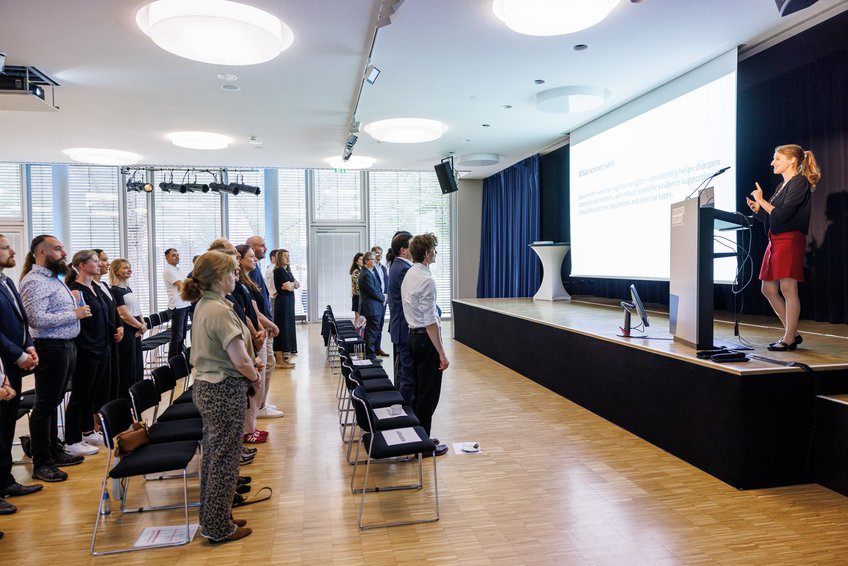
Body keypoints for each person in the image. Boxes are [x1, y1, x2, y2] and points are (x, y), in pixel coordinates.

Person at [181, 251, 260, 543]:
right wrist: (254, 374)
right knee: (224, 459)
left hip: (210, 387)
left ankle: (216, 517)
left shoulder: (208, 304)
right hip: (223, 389)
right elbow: (239, 359)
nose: (235, 276)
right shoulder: (218, 309)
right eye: (232, 272)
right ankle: (218, 526)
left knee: (216, 456)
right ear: (218, 278)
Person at [19, 235, 91, 482]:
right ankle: (41, 463)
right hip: (50, 347)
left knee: (54, 402)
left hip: (65, 346)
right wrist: (74, 314)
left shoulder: (52, 279)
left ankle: (53, 449)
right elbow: (36, 319)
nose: (64, 253)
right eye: (58, 249)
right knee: (44, 406)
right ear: (41, 252)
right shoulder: (34, 281)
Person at [747, 144, 821, 352]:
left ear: (792, 161)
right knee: (768, 289)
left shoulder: (799, 182)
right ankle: (793, 333)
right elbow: (773, 218)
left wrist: (762, 200)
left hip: (789, 240)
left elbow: (783, 215)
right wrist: (758, 209)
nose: (772, 163)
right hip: (775, 240)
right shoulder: (782, 185)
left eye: (777, 159)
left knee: (788, 289)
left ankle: (789, 338)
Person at [0, 234, 42, 508]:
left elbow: (21, 321)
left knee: (6, 426)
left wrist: (28, 345)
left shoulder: (7, 281)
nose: (12, 251)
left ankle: (5, 481)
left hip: (12, 363)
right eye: (5, 247)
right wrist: (18, 355)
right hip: (5, 361)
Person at [401, 233, 449, 457]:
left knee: (420, 392)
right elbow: (430, 322)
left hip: (412, 336)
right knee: (428, 395)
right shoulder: (427, 280)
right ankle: (423, 445)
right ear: (428, 254)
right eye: (434, 249)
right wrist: (442, 353)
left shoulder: (410, 273)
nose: (436, 253)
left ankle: (420, 437)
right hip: (425, 339)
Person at [64, 250, 113, 456]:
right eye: (94, 261)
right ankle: (71, 439)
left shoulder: (94, 287)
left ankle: (87, 431)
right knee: (80, 395)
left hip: (102, 347)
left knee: (92, 393)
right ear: (82, 265)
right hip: (86, 349)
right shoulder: (75, 290)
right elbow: (75, 320)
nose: (99, 264)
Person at [235, 243, 281, 439]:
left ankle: (252, 424)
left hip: (258, 334)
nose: (254, 259)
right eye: (251, 256)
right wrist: (260, 331)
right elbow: (248, 315)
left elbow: (254, 312)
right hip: (253, 337)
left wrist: (263, 328)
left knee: (259, 381)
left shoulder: (245, 282)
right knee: (254, 384)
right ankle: (249, 428)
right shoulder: (238, 285)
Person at [245, 236, 280, 418]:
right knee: (265, 365)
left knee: (269, 364)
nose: (266, 248)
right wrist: (266, 325)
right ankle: (259, 407)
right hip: (260, 326)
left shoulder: (256, 267)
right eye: (262, 245)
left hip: (263, 323)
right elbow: (253, 308)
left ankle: (262, 403)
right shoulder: (249, 271)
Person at [90, 248, 123, 420]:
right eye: (103, 260)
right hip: (101, 340)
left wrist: (120, 326)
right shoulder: (90, 287)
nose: (106, 263)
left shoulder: (103, 285)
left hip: (112, 338)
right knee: (101, 385)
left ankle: (111, 417)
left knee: (112, 380)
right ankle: (98, 422)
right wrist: (113, 329)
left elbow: (113, 310)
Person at [109, 259, 146, 398]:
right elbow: (124, 314)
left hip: (136, 328)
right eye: (125, 268)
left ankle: (137, 396)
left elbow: (136, 309)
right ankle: (126, 398)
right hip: (127, 329)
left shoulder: (127, 288)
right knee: (128, 366)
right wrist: (140, 326)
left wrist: (143, 323)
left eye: (129, 267)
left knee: (137, 364)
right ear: (116, 271)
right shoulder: (115, 290)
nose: (129, 270)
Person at [388, 231, 415, 402]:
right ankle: (404, 409)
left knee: (402, 371)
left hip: (399, 326)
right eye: (412, 246)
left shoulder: (397, 265)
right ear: (403, 250)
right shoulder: (404, 269)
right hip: (404, 328)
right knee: (407, 375)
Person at [162, 248, 191, 360]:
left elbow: (186, 285)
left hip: (184, 304)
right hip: (177, 306)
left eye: (178, 255)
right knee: (177, 337)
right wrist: (186, 286)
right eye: (174, 255)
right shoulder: (169, 271)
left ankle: (179, 361)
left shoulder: (177, 270)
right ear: (167, 258)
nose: (177, 257)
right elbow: (183, 286)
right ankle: (172, 362)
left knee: (182, 335)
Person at [272, 249, 299, 367]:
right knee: (282, 328)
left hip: (288, 302)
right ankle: (279, 360)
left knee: (287, 328)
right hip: (283, 303)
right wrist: (290, 285)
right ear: (279, 258)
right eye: (285, 256)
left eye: (288, 256)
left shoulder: (287, 270)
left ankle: (282, 358)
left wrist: (290, 285)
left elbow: (297, 285)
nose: (288, 258)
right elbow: (290, 287)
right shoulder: (279, 271)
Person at [357, 251, 384, 361]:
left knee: (371, 332)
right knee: (371, 334)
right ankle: (370, 357)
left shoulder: (368, 272)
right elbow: (373, 291)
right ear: (367, 261)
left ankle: (370, 355)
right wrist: (383, 297)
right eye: (373, 259)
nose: (375, 261)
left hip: (373, 307)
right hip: (372, 308)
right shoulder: (366, 274)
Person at [370, 246, 390, 357]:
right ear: (372, 254)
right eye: (377, 253)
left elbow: (386, 283)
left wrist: (386, 295)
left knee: (380, 325)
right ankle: (371, 350)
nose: (379, 255)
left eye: (381, 253)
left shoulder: (383, 268)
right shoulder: (370, 269)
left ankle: (378, 348)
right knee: (374, 327)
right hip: (375, 301)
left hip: (384, 301)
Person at [349, 252, 364, 328]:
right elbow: (358, 285)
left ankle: (359, 332)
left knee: (361, 318)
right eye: (360, 260)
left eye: (363, 259)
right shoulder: (356, 272)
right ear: (356, 262)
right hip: (357, 297)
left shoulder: (362, 270)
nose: (362, 261)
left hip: (360, 296)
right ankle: (356, 333)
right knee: (358, 318)